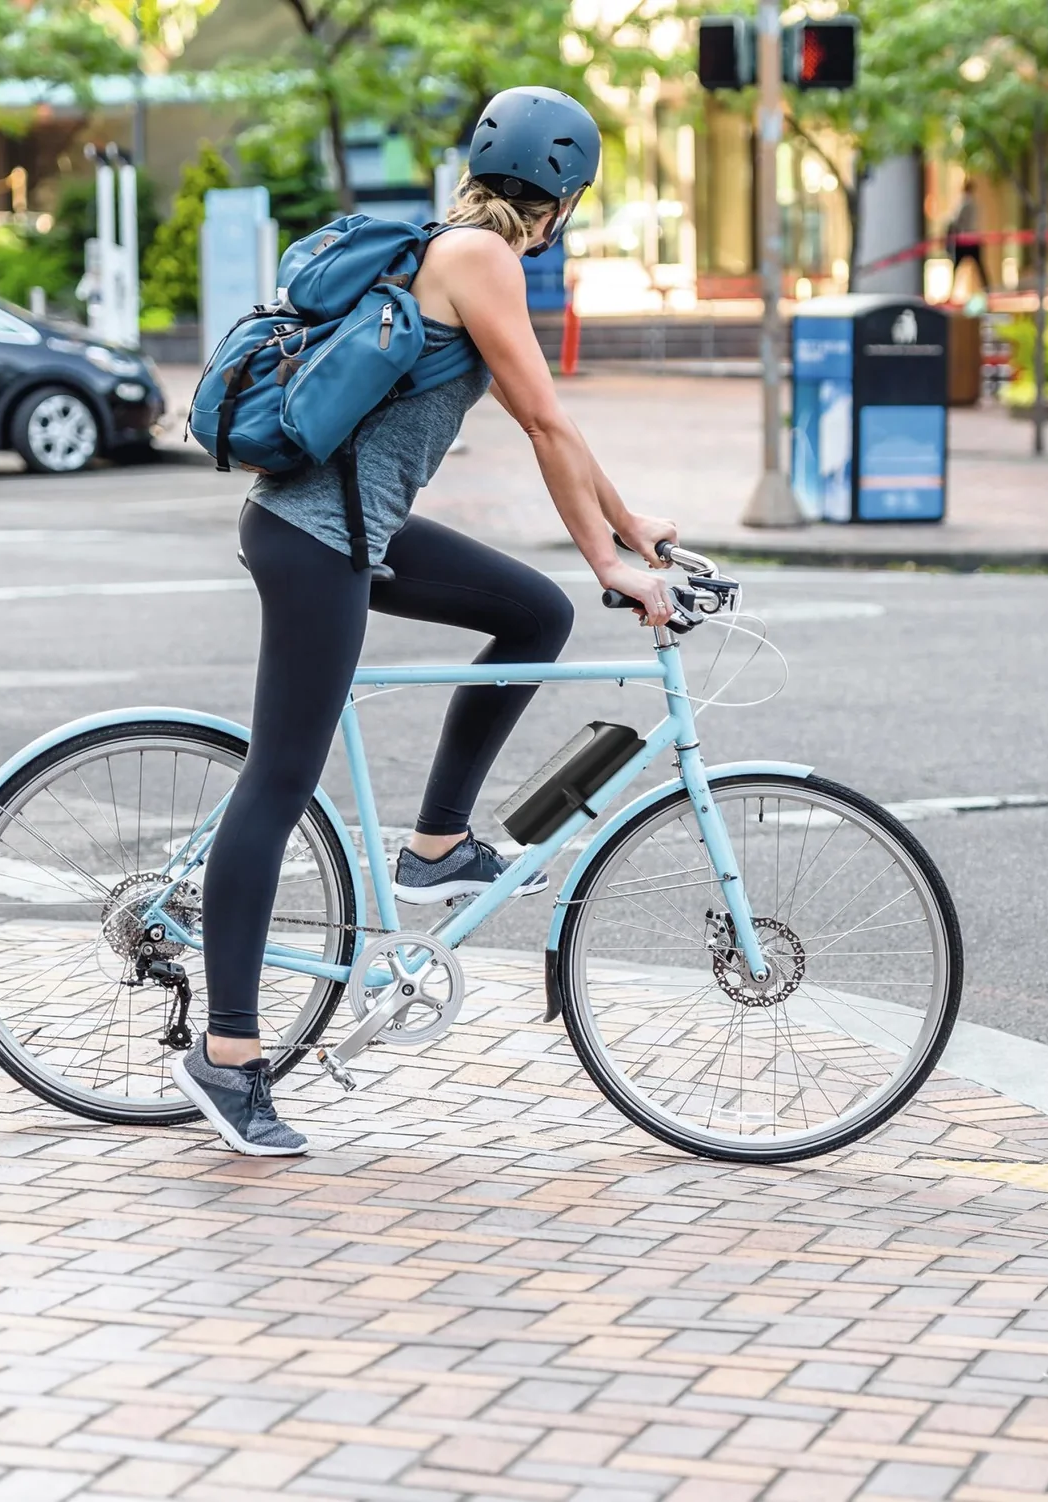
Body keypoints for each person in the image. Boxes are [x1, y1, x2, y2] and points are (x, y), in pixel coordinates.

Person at [171, 86, 679, 1157]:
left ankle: (438, 842)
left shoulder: (454, 246)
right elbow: (542, 416)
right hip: (318, 544)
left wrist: (633, 528)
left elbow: (555, 417)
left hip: (349, 532)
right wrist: (605, 561)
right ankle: (227, 1055)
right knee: (278, 780)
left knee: (531, 613)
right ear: (563, 197)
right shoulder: (484, 260)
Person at [946, 179, 987, 304]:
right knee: (979, 267)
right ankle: (987, 291)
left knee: (958, 267)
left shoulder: (964, 203)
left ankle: (952, 292)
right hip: (974, 238)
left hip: (964, 240)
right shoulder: (974, 204)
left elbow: (955, 221)